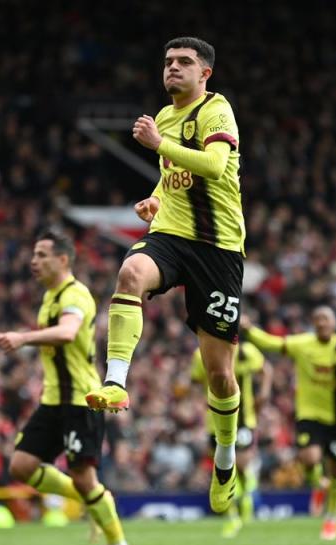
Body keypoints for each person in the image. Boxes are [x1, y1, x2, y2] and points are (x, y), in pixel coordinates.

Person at [84, 37, 246, 513]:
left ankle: (225, 454)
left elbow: (215, 166)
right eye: (168, 62)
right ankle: (115, 381)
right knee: (131, 270)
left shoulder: (217, 111)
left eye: (184, 63)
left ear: (205, 74)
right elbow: (174, 172)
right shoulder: (166, 116)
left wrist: (159, 143)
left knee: (219, 376)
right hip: (172, 234)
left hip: (218, 249)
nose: (173, 68)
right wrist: (156, 196)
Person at [0, 230, 131, 545]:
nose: (33, 261)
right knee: (21, 465)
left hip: (81, 401)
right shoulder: (50, 297)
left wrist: (24, 338)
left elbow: (68, 332)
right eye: (34, 254)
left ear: (63, 259)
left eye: (41, 255)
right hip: (53, 400)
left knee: (84, 476)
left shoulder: (76, 294)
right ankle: (92, 498)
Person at [242, 307, 336, 540]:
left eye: (326, 319)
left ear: (334, 323)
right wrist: (250, 330)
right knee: (309, 458)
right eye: (318, 319)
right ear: (313, 323)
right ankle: (318, 484)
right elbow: (273, 343)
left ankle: (331, 518)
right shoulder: (303, 344)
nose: (322, 323)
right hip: (309, 414)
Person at [190, 338, 272, 538]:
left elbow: (266, 370)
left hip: (244, 419)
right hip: (214, 421)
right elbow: (196, 381)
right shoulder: (200, 353)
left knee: (242, 465)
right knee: (223, 468)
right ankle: (232, 515)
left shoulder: (247, 351)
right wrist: (199, 402)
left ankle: (246, 496)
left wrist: (264, 393)